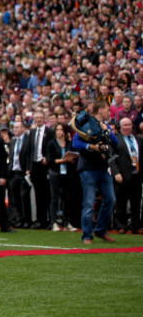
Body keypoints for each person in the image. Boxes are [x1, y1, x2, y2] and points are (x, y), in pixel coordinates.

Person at [71, 101, 117, 245]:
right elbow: (75, 143)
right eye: (107, 110)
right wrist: (91, 146)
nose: (109, 113)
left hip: (102, 168)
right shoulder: (86, 123)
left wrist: (107, 131)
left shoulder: (105, 125)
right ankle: (86, 235)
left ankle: (101, 230)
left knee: (110, 199)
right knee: (89, 202)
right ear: (101, 110)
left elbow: (115, 143)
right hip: (88, 168)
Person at [46, 123, 79, 232]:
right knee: (54, 198)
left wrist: (71, 158)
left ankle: (66, 222)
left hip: (68, 173)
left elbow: (75, 157)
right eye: (57, 129)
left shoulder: (70, 144)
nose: (59, 132)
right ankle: (54, 222)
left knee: (67, 198)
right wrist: (62, 160)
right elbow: (50, 160)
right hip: (55, 172)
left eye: (61, 130)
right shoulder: (52, 143)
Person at [112, 117, 142, 234]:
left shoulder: (138, 140)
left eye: (129, 125)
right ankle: (120, 226)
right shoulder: (116, 140)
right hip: (122, 175)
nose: (127, 127)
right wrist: (116, 173)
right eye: (125, 125)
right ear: (121, 127)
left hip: (136, 175)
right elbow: (112, 158)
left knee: (136, 202)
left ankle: (136, 225)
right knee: (121, 202)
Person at [27, 111, 55, 229]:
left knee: (47, 194)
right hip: (34, 166)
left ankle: (49, 220)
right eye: (37, 117)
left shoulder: (50, 132)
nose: (38, 119)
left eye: (40, 117)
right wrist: (28, 168)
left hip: (45, 165)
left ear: (45, 119)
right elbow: (29, 150)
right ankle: (40, 220)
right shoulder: (32, 133)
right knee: (38, 194)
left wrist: (48, 158)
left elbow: (53, 147)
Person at [7, 121, 32, 228]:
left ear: (23, 128)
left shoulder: (28, 140)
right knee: (15, 198)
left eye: (17, 127)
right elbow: (12, 157)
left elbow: (30, 155)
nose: (15, 129)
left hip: (23, 172)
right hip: (14, 172)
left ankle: (27, 220)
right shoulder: (13, 142)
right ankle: (19, 219)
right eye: (14, 127)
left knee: (24, 197)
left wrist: (28, 169)